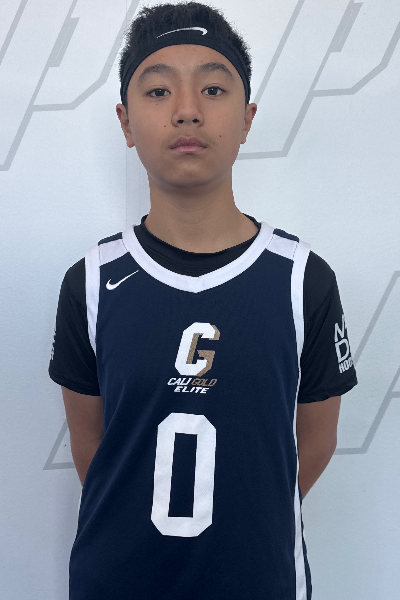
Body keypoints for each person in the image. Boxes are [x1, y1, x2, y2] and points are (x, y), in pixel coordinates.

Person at [48, 2, 358, 598]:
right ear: (126, 122)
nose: (187, 110)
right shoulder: (90, 281)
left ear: (246, 118)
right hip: (118, 581)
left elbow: (315, 442)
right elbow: (92, 446)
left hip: (260, 579)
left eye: (213, 89)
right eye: (158, 91)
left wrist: (247, 514)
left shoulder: (303, 279)